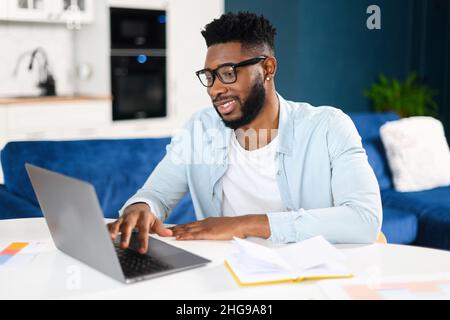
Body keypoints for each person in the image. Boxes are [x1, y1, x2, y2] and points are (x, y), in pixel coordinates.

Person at [108, 12, 382, 254]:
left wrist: (241, 225)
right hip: (227, 276)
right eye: (210, 76)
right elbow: (156, 194)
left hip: (311, 276)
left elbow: (363, 220)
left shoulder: (328, 127)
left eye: (228, 73)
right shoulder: (200, 129)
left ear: (267, 69)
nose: (215, 88)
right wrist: (141, 208)